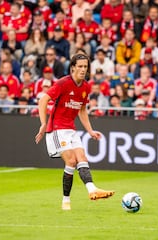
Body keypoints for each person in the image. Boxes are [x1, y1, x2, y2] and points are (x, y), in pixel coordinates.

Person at [35, 53, 114, 211]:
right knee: (71, 160)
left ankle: (92, 190)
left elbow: (82, 110)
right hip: (56, 128)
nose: (83, 69)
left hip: (71, 129)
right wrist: (43, 123)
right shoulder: (63, 83)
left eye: (85, 66)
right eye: (80, 66)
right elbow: (43, 99)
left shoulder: (86, 87)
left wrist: (90, 131)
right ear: (73, 68)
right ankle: (66, 200)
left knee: (82, 158)